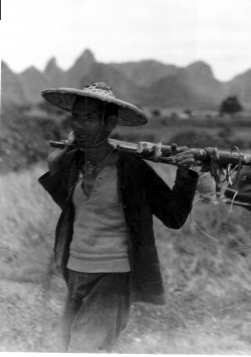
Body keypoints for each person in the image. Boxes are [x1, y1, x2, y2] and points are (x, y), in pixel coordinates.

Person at [39, 82, 199, 352]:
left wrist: (185, 177)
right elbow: (70, 211)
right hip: (75, 270)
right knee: (67, 346)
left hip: (113, 274)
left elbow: (174, 216)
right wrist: (55, 166)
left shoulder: (132, 168)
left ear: (110, 123)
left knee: (84, 348)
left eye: (90, 118)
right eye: (76, 117)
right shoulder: (70, 163)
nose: (79, 125)